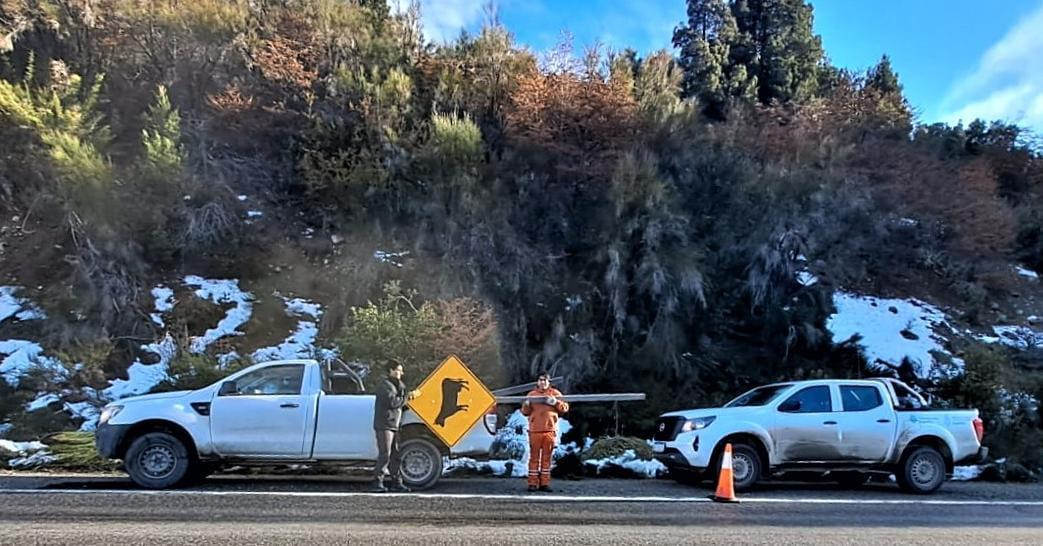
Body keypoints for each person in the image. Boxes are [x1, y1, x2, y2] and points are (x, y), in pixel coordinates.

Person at [373, 360, 421, 492]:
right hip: (385, 424)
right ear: (391, 370)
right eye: (399, 370)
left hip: (394, 424)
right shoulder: (384, 385)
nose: (401, 373)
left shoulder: (397, 386)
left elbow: (400, 405)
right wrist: (408, 397)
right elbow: (393, 402)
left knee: (395, 456)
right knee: (385, 455)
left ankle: (397, 483)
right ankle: (377, 483)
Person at [521, 372, 569, 492]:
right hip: (535, 430)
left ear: (549, 382)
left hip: (549, 430)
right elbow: (525, 412)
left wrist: (555, 402)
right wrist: (527, 405)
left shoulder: (555, 393)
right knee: (534, 458)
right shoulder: (531, 394)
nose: (542, 382)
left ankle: (544, 483)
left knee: (547, 458)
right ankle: (532, 483)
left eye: (545, 380)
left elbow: (565, 408)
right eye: (540, 380)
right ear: (538, 382)